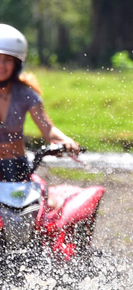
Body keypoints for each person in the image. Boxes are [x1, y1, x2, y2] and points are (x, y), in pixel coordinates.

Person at [0, 24, 79, 182]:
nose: (1, 65)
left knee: (43, 204)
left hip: (17, 167)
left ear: (17, 64)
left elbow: (48, 129)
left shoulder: (26, 94)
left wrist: (66, 141)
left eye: (7, 60)